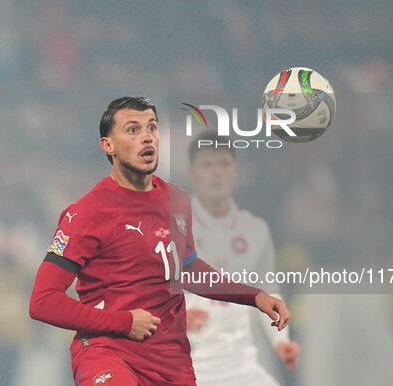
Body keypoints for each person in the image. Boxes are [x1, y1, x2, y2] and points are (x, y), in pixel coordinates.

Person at [29, 96, 291, 386]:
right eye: (133, 130)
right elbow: (43, 301)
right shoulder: (86, 213)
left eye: (151, 128)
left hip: (171, 363)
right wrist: (125, 323)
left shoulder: (176, 201)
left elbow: (187, 270)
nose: (146, 138)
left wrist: (254, 296)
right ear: (108, 145)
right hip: (108, 355)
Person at [185, 132, 300, 386]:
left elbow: (269, 291)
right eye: (207, 165)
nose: (216, 173)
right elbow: (147, 290)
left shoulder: (255, 230)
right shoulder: (173, 228)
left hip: (242, 364)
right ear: (193, 173)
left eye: (223, 164)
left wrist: (282, 342)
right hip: (191, 364)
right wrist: (178, 315)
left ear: (235, 170)